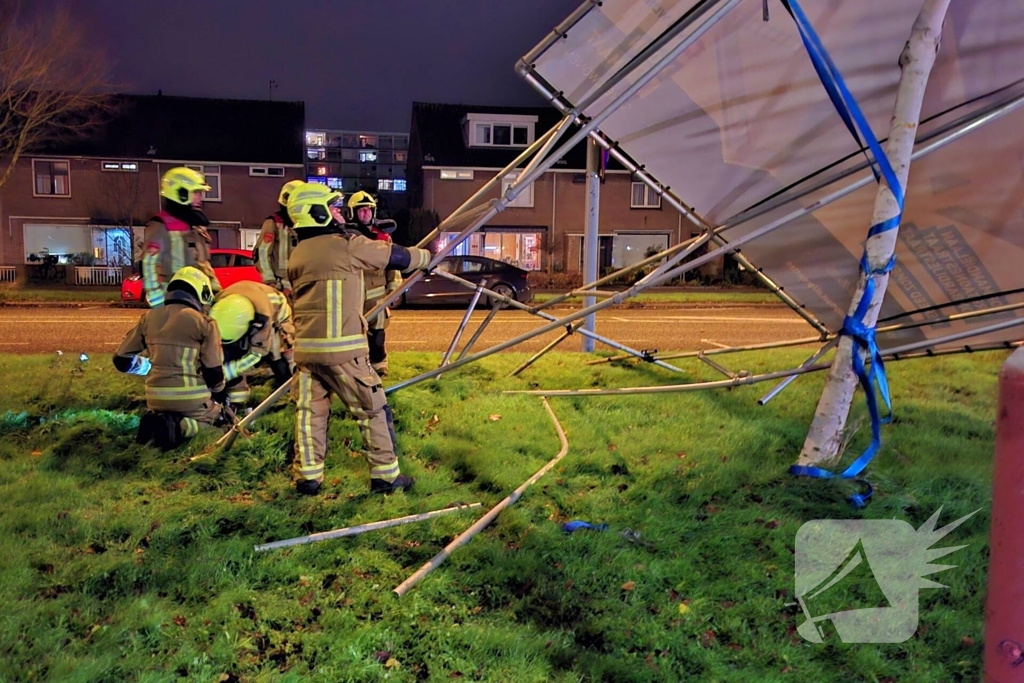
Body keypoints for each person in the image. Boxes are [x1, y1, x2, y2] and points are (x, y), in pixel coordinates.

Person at [286, 182, 431, 495]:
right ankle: (386, 477)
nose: (339, 212)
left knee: (310, 415)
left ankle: (308, 478)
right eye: (334, 207)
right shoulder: (345, 244)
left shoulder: (298, 254)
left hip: (307, 352)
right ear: (317, 211)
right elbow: (392, 255)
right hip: (344, 349)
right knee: (373, 410)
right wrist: (426, 257)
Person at [113, 266, 227, 450]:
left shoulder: (148, 318)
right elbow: (213, 370)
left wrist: (148, 367)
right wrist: (220, 392)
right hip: (191, 399)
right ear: (200, 292)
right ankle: (179, 427)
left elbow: (121, 360)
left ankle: (159, 421)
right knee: (219, 426)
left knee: (168, 412)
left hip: (155, 399)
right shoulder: (204, 323)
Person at [141, 167, 222, 308]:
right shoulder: (160, 225)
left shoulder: (196, 224)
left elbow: (204, 264)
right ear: (179, 193)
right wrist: (158, 301)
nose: (199, 198)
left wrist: (215, 290)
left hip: (198, 297)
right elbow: (148, 264)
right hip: (174, 297)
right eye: (195, 193)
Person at [208, 280, 296, 409]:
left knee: (278, 350)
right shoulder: (217, 308)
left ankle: (289, 386)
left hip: (276, 311)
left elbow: (257, 354)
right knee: (230, 353)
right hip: (246, 299)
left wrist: (228, 371)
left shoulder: (262, 318)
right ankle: (237, 402)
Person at [346, 191, 403, 376]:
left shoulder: (383, 236)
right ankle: (357, 369)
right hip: (352, 296)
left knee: (377, 336)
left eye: (368, 210)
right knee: (353, 335)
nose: (365, 214)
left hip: (377, 295)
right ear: (352, 213)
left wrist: (394, 289)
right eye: (361, 211)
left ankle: (379, 367)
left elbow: (392, 264)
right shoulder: (345, 236)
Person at [256, 179, 304, 296]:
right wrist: (270, 281)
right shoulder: (274, 223)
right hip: (281, 286)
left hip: (302, 283)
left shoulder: (305, 223)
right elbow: (261, 253)